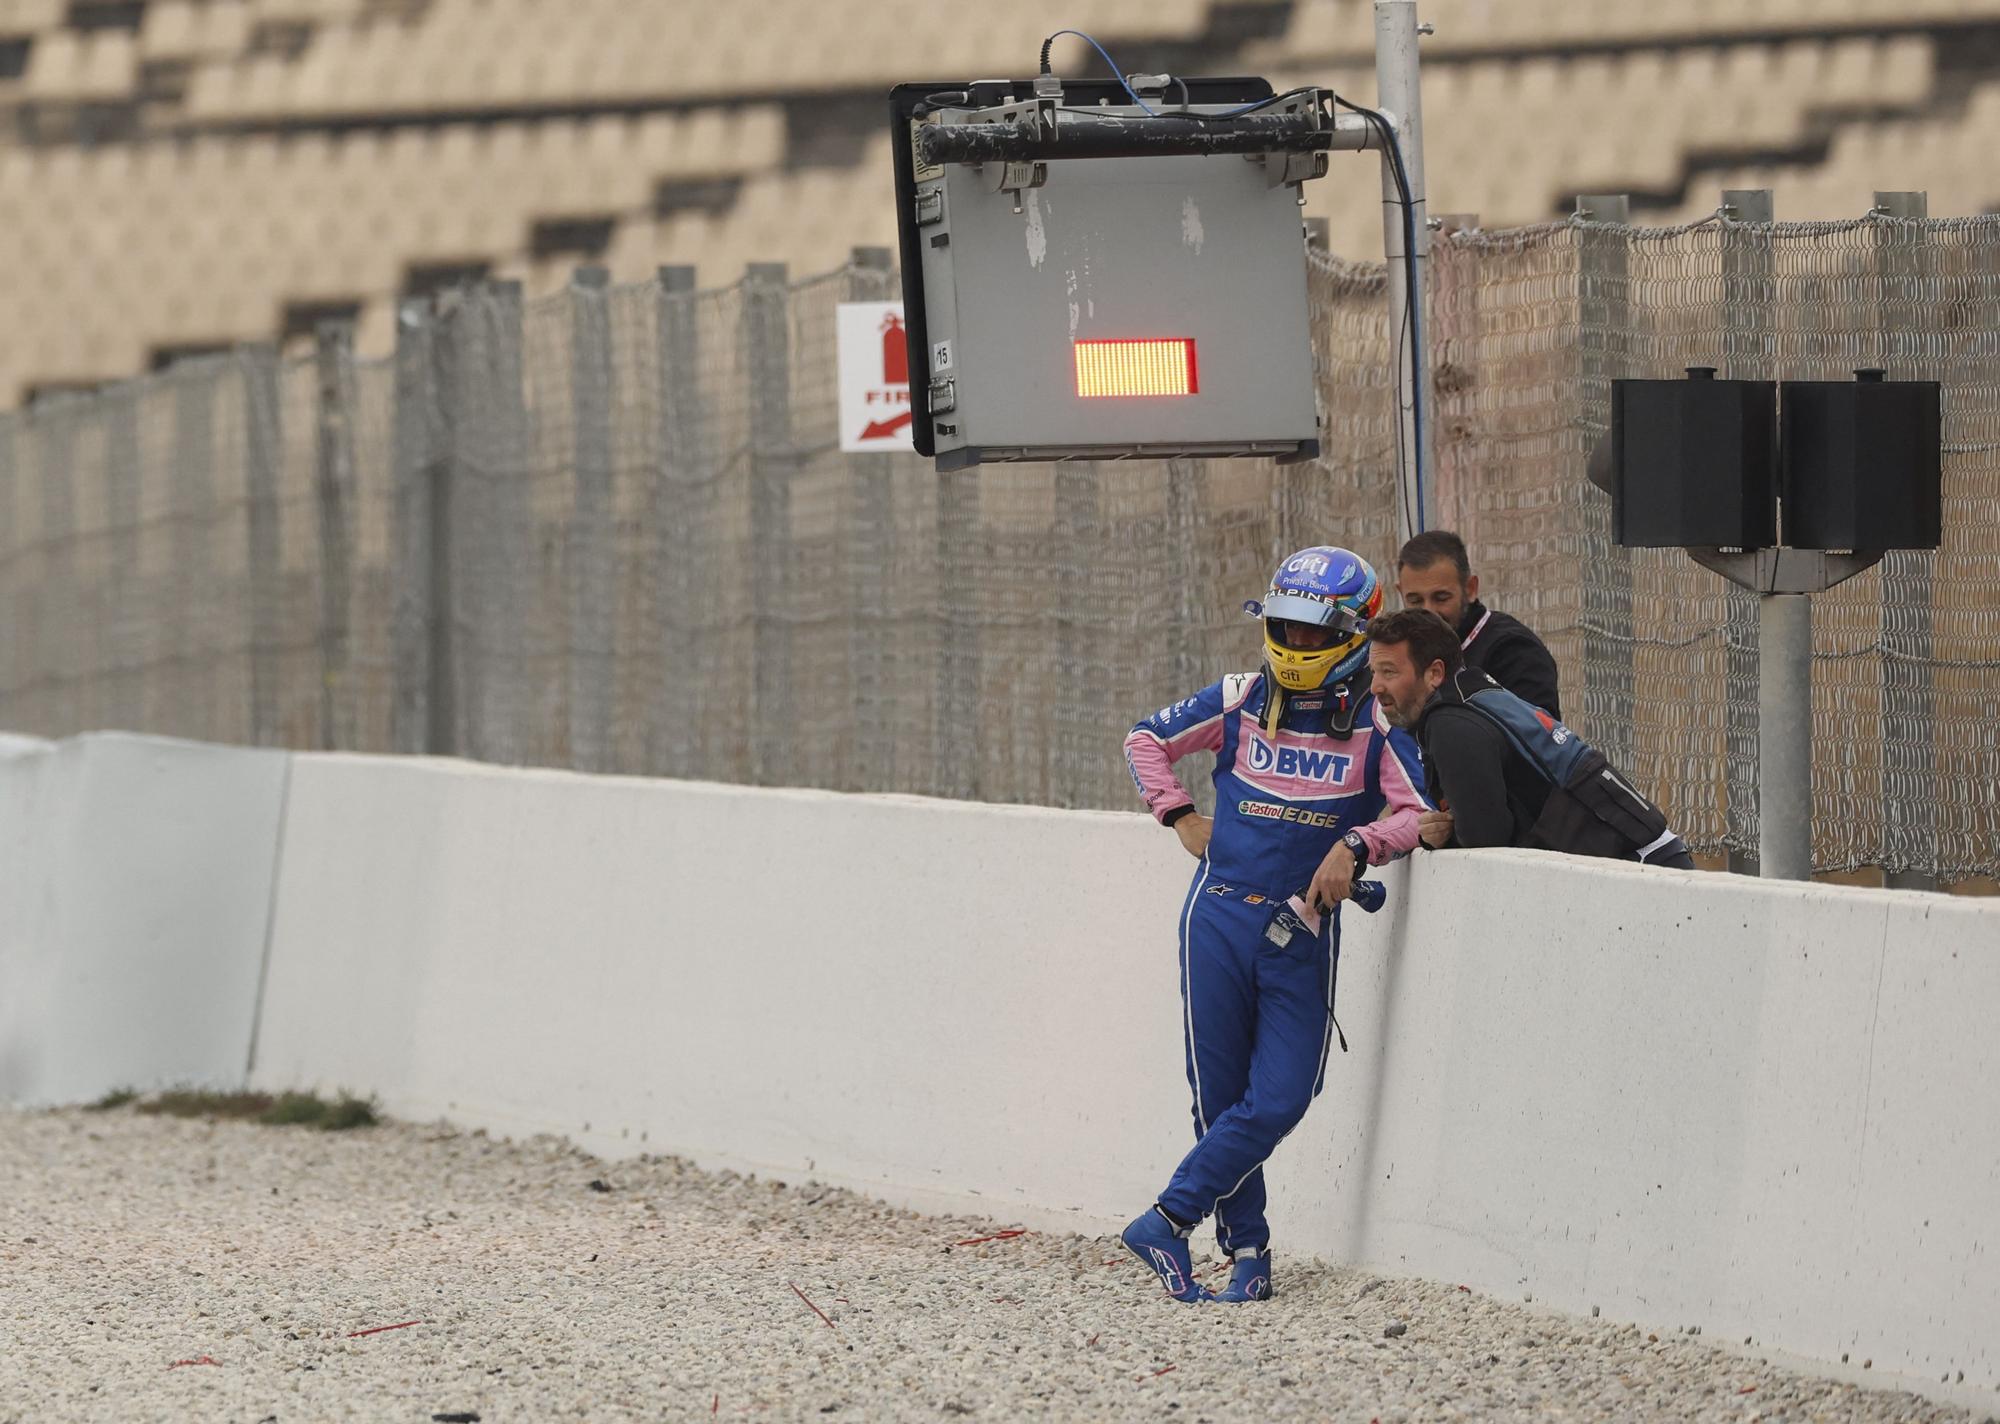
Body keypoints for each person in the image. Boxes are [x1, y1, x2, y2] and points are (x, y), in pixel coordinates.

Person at [1119, 547, 1429, 1305]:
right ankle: (1249, 1254)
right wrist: (1179, 813)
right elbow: (1144, 740)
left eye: (1315, 634)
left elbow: (1419, 814)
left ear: (1354, 634)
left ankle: (1166, 1217)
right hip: (1217, 914)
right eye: (1285, 629)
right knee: (1219, 1095)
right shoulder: (1238, 694)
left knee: (1286, 1094)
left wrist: (1357, 843)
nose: (1297, 647)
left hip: (1301, 930)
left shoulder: (1379, 726)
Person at [1365, 608, 1694, 868]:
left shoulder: (1451, 723)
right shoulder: (1470, 691)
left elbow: (1485, 848)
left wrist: (1443, 839)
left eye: (1390, 672)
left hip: (1642, 864)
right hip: (1645, 856)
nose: (1375, 687)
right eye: (1374, 672)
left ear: (1434, 673)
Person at [1395, 530, 1562, 719]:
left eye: (1441, 598)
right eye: (1415, 601)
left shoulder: (1514, 651)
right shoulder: (1404, 650)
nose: (1429, 612)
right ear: (1400, 592)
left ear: (1470, 588)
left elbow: (1538, 740)